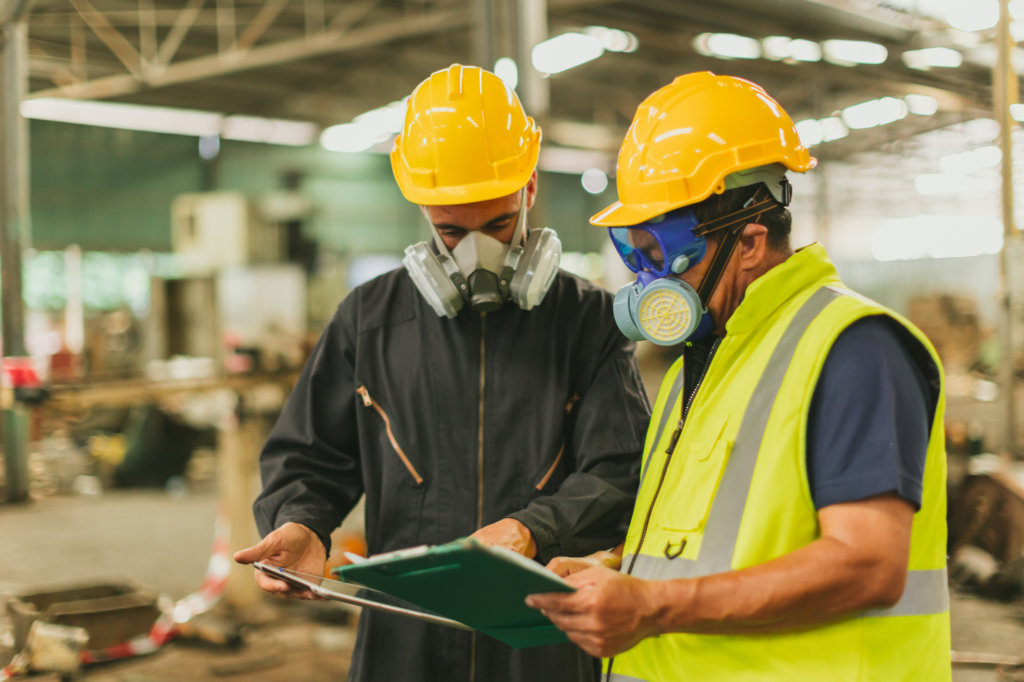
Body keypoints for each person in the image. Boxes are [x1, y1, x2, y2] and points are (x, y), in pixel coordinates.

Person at [233, 63, 651, 682]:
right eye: (450, 231)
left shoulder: (586, 320)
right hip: (406, 638)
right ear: (422, 208)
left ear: (529, 187)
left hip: (540, 636)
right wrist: (299, 521)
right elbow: (310, 456)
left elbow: (621, 471)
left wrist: (531, 531)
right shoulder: (368, 320)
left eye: (499, 226)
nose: (473, 254)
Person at [529, 71, 950, 682]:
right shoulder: (695, 369)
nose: (647, 283)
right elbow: (710, 545)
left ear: (750, 243)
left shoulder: (853, 348)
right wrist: (620, 568)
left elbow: (868, 566)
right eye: (634, 256)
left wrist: (651, 604)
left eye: (660, 256)